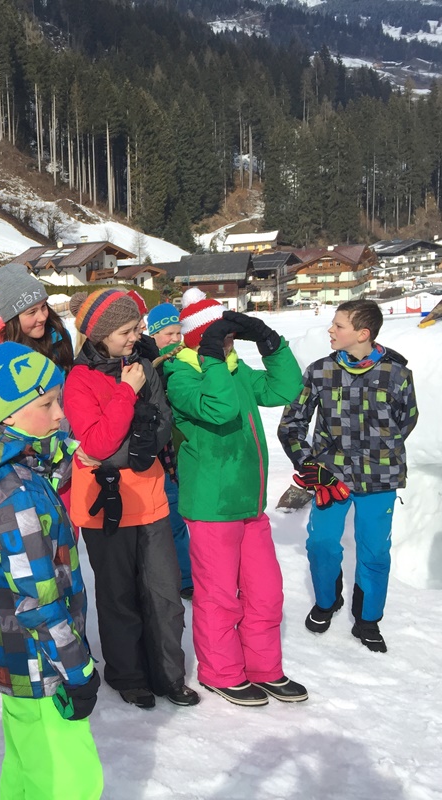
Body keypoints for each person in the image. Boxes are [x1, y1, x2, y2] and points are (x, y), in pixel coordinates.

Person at [0, 342, 103, 799]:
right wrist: (77, 669)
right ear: (10, 417)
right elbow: (37, 600)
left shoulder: (0, 461)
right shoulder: (18, 498)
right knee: (70, 775)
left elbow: (48, 450)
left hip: (11, 655)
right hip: (42, 663)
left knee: (28, 761)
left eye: (59, 400)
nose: (60, 415)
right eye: (47, 404)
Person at [163, 288, 307, 707]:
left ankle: (263, 668)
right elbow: (220, 410)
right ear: (199, 338)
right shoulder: (180, 376)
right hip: (211, 507)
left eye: (229, 336)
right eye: (219, 335)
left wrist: (271, 343)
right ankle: (221, 673)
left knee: (265, 593)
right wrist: (209, 355)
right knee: (220, 597)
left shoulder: (235, 369)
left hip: (250, 505)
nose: (228, 342)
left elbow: (285, 389)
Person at [63, 290, 197, 710]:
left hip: (151, 496)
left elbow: (160, 425)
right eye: (127, 330)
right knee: (118, 594)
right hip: (105, 504)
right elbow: (98, 445)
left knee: (163, 592)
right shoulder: (79, 380)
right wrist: (125, 396)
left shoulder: (142, 365)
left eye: (137, 327)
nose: (137, 335)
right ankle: (128, 674)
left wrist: (134, 446)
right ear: (101, 334)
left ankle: (168, 674)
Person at [278, 299, 418, 653]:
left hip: (380, 479)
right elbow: (291, 424)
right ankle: (327, 601)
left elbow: (407, 420)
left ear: (363, 333)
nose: (331, 330)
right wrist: (310, 465)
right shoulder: (319, 371)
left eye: (338, 326)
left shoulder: (397, 374)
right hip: (331, 476)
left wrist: (378, 453)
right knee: (321, 544)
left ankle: (368, 619)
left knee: (374, 552)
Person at [0, 261, 75, 417]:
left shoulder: (59, 336)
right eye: (32, 312)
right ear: (13, 320)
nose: (42, 317)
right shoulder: (0, 363)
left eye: (43, 306)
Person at [146, 301, 194, 599]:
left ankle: (186, 575)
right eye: (168, 334)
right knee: (171, 518)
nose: (175, 340)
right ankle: (181, 577)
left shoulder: (185, 361)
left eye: (179, 333)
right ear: (153, 334)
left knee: (178, 517)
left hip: (177, 452)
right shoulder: (147, 363)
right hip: (156, 454)